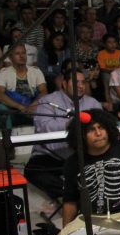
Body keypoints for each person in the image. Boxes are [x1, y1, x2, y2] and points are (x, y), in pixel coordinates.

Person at [25, 71, 101, 213]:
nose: (80, 86)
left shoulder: (93, 103)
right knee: (32, 171)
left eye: (83, 82)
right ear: (64, 84)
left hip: (81, 154)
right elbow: (44, 126)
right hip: (51, 155)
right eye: (76, 82)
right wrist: (70, 124)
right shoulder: (48, 101)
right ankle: (72, 196)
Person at [0, 43, 47, 128]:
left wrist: (32, 106)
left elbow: (44, 91)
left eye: (23, 53)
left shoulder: (36, 71)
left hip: (33, 110)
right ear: (11, 57)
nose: (21, 56)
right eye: (17, 53)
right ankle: (7, 139)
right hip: (13, 111)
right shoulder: (3, 73)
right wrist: (20, 107)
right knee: (1, 108)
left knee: (46, 105)